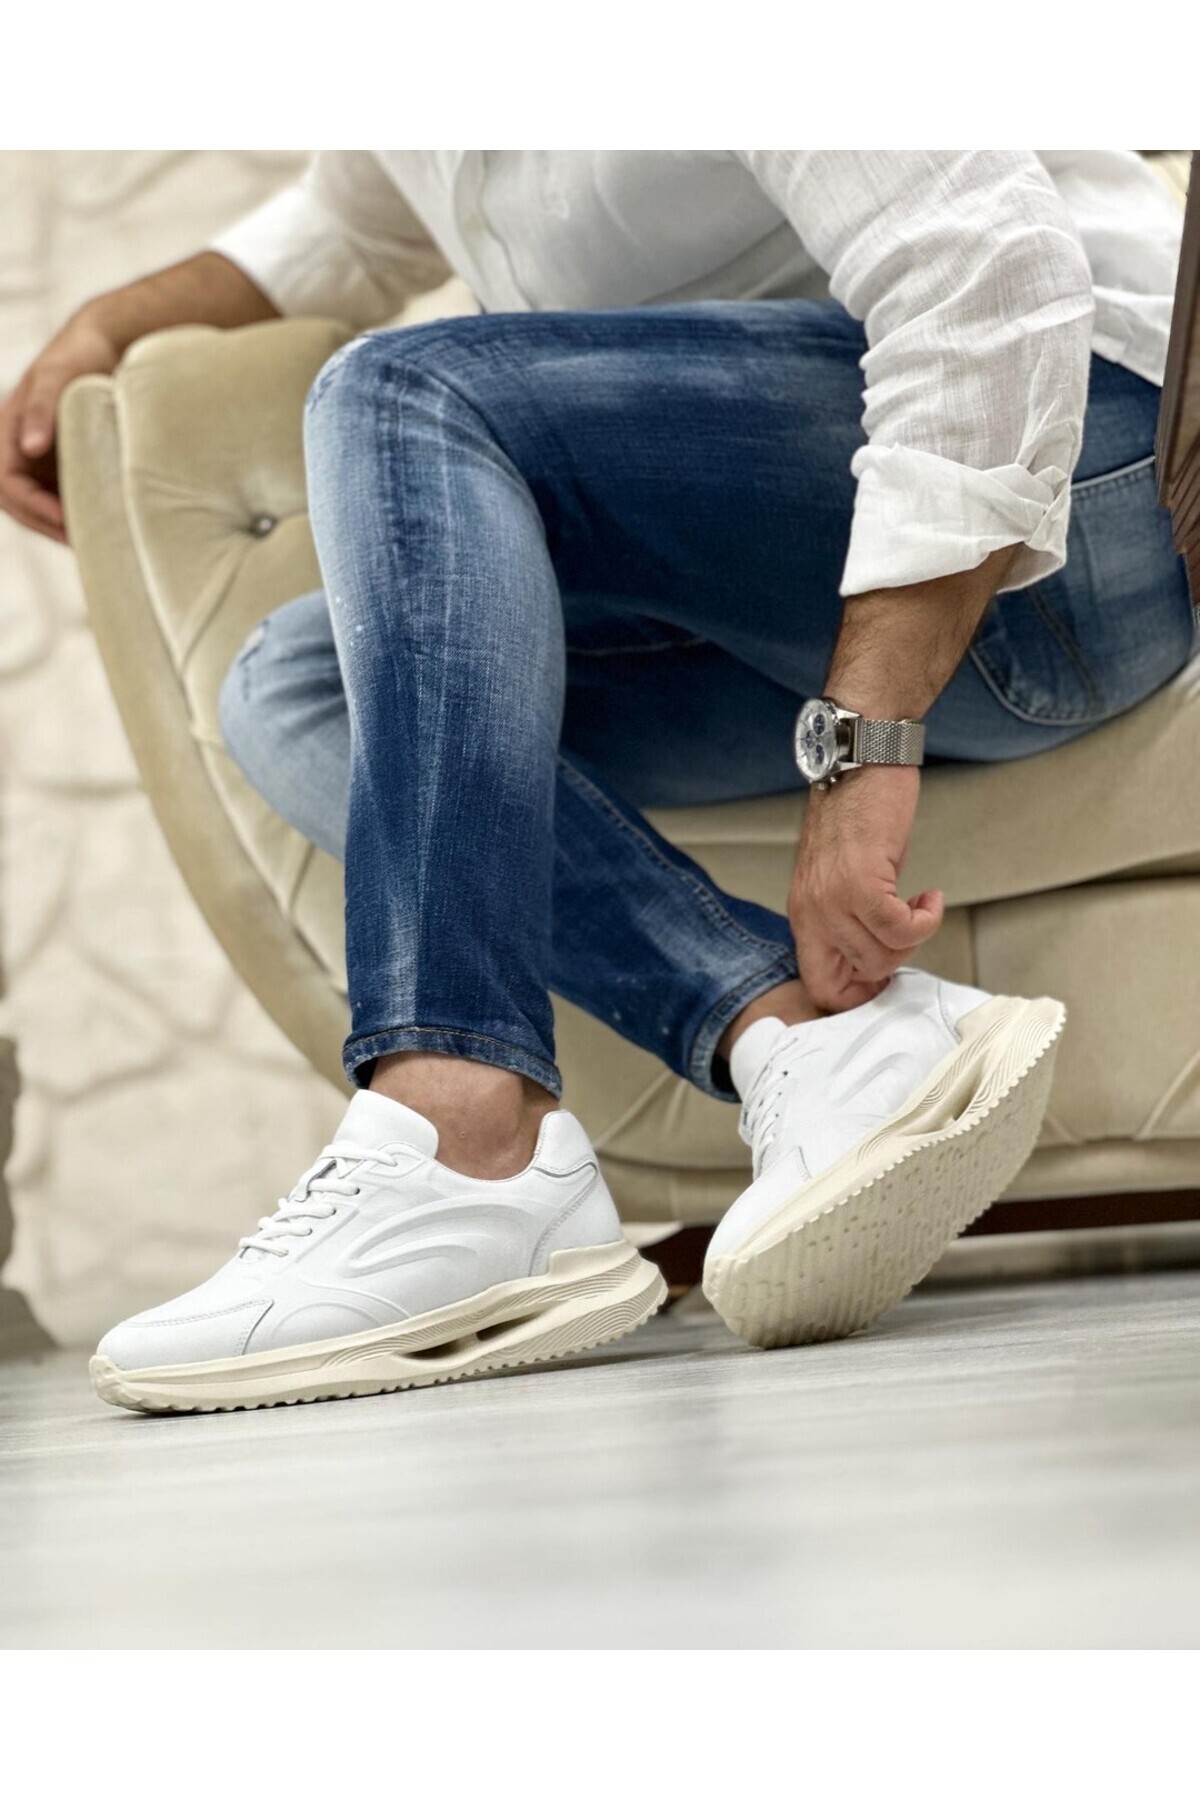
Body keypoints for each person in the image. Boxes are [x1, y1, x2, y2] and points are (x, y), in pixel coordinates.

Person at [3, 152, 1191, 1413]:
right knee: (294, 687)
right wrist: (110, 324)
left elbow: (989, 276)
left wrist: (864, 750)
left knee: (406, 391)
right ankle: (803, 1034)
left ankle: (457, 1135)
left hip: (1082, 497)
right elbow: (350, 223)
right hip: (811, 563)